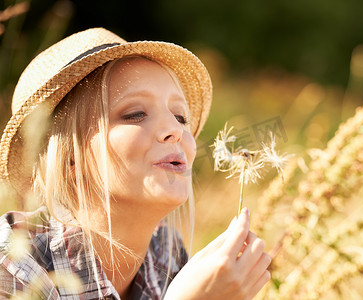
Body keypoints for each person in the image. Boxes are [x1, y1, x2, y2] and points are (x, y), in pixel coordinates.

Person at [0, 28, 271, 299]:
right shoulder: (14, 267)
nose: (174, 130)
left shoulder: (166, 255)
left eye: (180, 117)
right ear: (69, 159)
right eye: (136, 114)